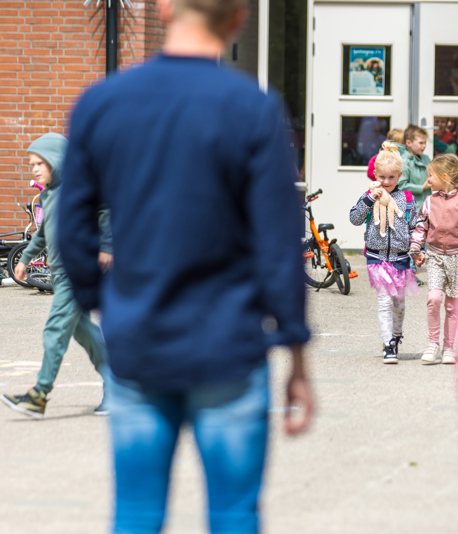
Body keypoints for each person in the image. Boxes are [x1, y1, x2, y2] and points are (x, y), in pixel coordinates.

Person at [56, 0, 314, 531]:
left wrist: (101, 301)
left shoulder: (102, 102)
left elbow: (71, 226)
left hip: (139, 342)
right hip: (229, 346)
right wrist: (296, 352)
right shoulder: (253, 107)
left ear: (164, 7)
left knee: (136, 514)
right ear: (239, 17)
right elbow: (278, 243)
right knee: (235, 514)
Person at [1, 133, 111, 419]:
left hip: (78, 272)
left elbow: (106, 212)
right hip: (59, 274)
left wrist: (107, 247)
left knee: (54, 330)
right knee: (84, 332)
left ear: (57, 161)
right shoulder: (47, 195)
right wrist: (25, 258)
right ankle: (118, 385)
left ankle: (39, 395)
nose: (34, 169)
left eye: (41, 163)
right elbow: (41, 233)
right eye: (31, 164)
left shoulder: (78, 191)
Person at [350, 142, 419, 364]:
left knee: (399, 303)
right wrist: (369, 199)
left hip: (400, 258)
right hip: (377, 258)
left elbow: (415, 226)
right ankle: (388, 344)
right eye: (382, 177)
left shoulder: (407, 199)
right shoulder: (369, 196)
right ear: (375, 175)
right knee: (384, 302)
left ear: (399, 176)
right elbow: (354, 218)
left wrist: (417, 248)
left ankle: (396, 336)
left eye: (391, 177)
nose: (386, 182)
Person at [409, 154, 458, 365]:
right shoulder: (429, 202)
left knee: (452, 306)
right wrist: (416, 249)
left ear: (445, 176)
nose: (428, 179)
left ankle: (448, 347)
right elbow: (420, 227)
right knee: (433, 299)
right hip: (435, 257)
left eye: (431, 175)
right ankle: (433, 343)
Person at [397, 123, 432, 209]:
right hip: (411, 207)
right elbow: (401, 185)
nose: (424, 146)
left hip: (427, 205)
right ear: (408, 143)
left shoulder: (426, 158)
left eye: (425, 143)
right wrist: (421, 187)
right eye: (421, 143)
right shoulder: (404, 161)